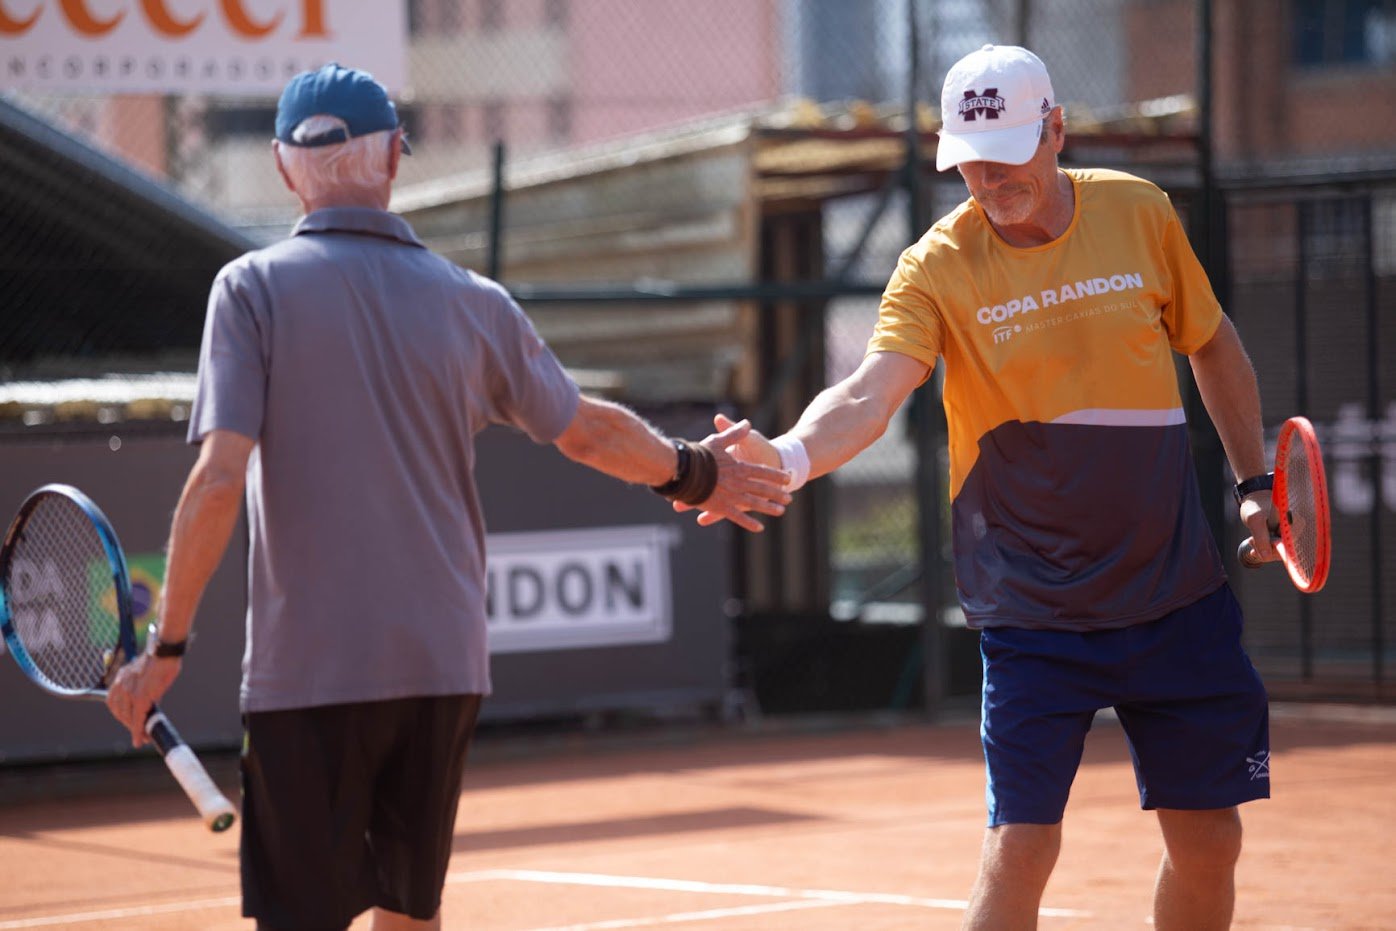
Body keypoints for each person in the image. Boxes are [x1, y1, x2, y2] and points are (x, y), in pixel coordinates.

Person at [104, 63, 791, 931]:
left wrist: (166, 646)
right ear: (395, 156)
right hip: (441, 663)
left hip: (307, 674)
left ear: (284, 167)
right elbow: (585, 430)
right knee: (408, 913)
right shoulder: (475, 303)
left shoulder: (249, 290)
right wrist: (698, 471)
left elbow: (215, 483)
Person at [692, 45, 1277, 931]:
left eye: (1006, 152)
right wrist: (790, 452)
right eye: (969, 159)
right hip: (1033, 608)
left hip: (1172, 590)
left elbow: (1213, 342)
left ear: (1055, 131)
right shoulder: (936, 267)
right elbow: (869, 390)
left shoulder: (1139, 211)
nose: (988, 177)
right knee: (1022, 845)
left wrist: (1254, 481)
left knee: (1209, 838)